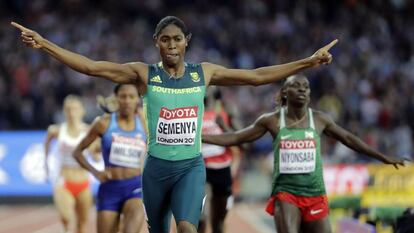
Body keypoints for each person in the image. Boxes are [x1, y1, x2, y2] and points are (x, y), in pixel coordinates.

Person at [12, 16, 337, 233]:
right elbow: (91, 67)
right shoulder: (144, 74)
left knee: (186, 228)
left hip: (189, 168)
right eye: (164, 39)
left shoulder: (203, 73)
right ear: (156, 42)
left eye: (177, 39)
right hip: (155, 169)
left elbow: (255, 77)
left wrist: (308, 61)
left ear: (186, 42)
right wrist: (45, 44)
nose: (170, 45)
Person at [202, 74, 406, 233]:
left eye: (306, 87)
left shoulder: (319, 119)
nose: (302, 90)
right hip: (286, 194)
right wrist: (199, 138)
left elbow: (350, 139)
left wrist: (383, 157)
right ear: (285, 93)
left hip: (315, 194)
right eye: (296, 86)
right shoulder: (272, 120)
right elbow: (237, 138)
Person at [73, 84, 146, 233]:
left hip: (136, 186)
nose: (127, 100)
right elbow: (77, 152)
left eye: (131, 96)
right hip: (110, 188)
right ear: (116, 98)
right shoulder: (103, 123)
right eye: (123, 96)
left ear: (137, 99)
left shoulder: (145, 122)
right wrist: (96, 172)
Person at [44, 95, 92, 233]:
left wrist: (96, 152)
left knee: (82, 224)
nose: (72, 113)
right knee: (67, 217)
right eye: (68, 109)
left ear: (82, 111)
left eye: (75, 109)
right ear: (64, 112)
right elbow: (46, 142)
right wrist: (46, 163)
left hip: (83, 183)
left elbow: (96, 152)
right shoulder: (56, 130)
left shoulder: (89, 131)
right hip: (64, 181)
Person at [198, 88, 241, 233]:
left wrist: (223, 125)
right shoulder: (193, 111)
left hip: (222, 168)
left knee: (219, 222)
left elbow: (240, 142)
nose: (206, 89)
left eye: (210, 86)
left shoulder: (225, 111)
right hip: (200, 168)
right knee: (201, 216)